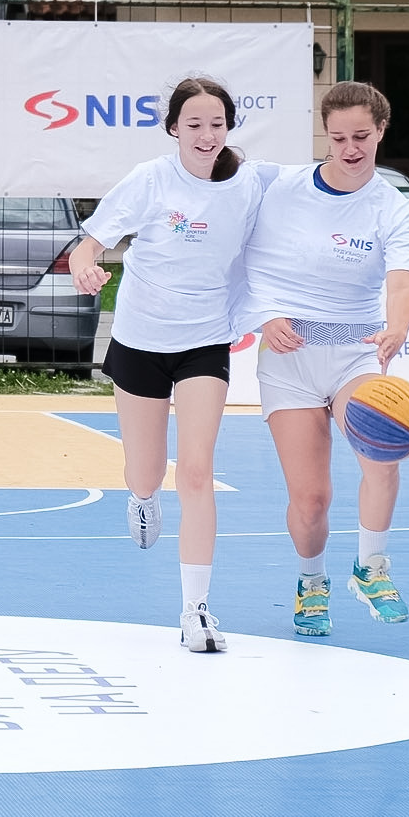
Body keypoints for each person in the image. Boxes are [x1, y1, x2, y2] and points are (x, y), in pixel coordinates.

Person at [67, 78, 268, 653]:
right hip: (139, 338)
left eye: (217, 124)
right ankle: (142, 498)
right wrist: (85, 268)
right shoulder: (150, 180)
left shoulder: (250, 183)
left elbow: (311, 198)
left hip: (207, 340)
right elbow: (89, 243)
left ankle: (196, 610)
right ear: (174, 129)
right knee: (146, 471)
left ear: (230, 127)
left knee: (198, 470)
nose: (206, 135)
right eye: (194, 124)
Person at [241, 80, 409, 638]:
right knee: (312, 498)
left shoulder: (392, 208)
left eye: (361, 136)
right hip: (289, 356)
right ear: (326, 134)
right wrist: (263, 314)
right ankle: (311, 581)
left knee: (384, 454)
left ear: (381, 132)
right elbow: (233, 250)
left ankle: (371, 568)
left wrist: (397, 327)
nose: (349, 148)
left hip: (355, 353)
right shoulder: (279, 185)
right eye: (338, 137)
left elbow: (401, 280)